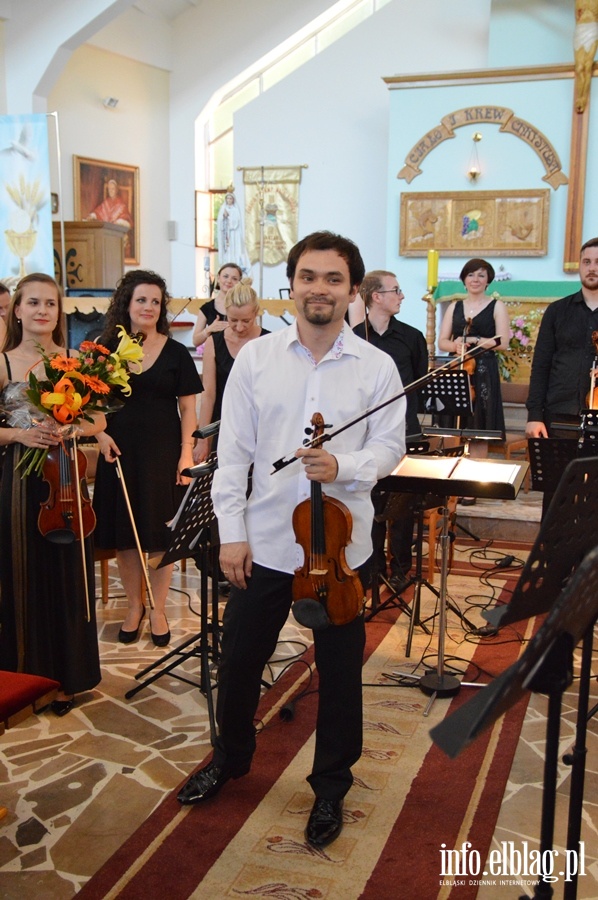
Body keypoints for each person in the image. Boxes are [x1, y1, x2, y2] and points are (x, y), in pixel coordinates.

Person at [176, 231, 404, 851]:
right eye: (308, 276)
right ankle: (230, 758)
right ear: (293, 283)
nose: (320, 289)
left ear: (351, 289)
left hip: (338, 551)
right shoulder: (256, 358)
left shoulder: (378, 367)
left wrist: (346, 467)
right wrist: (232, 532)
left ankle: (331, 784)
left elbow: (390, 447)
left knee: (338, 672)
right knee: (242, 659)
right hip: (267, 539)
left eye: (333, 279)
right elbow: (235, 453)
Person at [0, 273, 105, 715]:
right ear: (17, 310)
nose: (43, 310)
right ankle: (26, 676)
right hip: (17, 484)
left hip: (64, 480)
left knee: (68, 576)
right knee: (22, 575)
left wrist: (70, 426)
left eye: (51, 304)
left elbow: (98, 422)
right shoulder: (3, 362)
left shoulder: (77, 362)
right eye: (34, 302)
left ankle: (67, 679)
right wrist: (20, 436)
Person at [92, 270, 203, 647]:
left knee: (160, 535)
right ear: (127, 303)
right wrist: (101, 434)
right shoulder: (105, 347)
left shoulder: (174, 352)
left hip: (163, 450)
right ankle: (134, 606)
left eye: (156, 301)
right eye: (142, 300)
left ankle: (157, 608)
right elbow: (88, 405)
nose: (149, 307)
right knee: (126, 535)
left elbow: (189, 409)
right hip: (117, 450)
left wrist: (186, 453)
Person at [354, 270, 428, 590]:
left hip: (405, 430)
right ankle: (371, 569)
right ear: (376, 297)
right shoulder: (355, 336)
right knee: (369, 503)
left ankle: (400, 568)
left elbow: (420, 383)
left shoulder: (412, 337)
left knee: (402, 506)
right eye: (395, 290)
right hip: (365, 434)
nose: (401, 295)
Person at [525, 237, 598, 513]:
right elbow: (541, 365)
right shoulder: (558, 311)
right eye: (587, 262)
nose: (592, 268)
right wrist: (534, 414)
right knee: (557, 498)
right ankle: (553, 556)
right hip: (560, 415)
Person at [438, 258, 510, 502]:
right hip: (457, 368)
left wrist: (475, 340)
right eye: (471, 275)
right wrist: (456, 344)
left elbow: (504, 342)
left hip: (483, 372)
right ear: (464, 279)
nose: (475, 280)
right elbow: (442, 341)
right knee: (451, 425)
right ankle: (450, 482)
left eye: (481, 275)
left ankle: (472, 486)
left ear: (488, 280)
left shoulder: (496, 306)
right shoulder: (455, 306)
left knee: (480, 427)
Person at [193, 277, 269, 464]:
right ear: (225, 311)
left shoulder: (268, 342)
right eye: (233, 320)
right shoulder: (214, 342)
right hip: (224, 425)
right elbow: (209, 395)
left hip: (260, 427)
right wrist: (203, 439)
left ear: (256, 313)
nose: (239, 327)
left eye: (246, 321)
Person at [192, 263, 242, 348]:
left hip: (238, 352)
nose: (229, 281)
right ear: (218, 278)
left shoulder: (244, 307)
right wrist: (209, 329)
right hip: (214, 354)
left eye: (234, 278)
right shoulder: (207, 308)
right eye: (225, 276)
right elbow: (195, 341)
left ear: (239, 282)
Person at [86, 178, 134, 257]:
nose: (111, 191)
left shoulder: (121, 205)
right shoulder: (106, 203)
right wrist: (92, 216)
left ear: (116, 190)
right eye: (109, 189)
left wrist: (118, 222)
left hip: (117, 233)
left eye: (112, 189)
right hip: (106, 233)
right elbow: (98, 212)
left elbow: (127, 221)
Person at [216, 191, 250, 272]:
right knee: (227, 250)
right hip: (226, 234)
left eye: (230, 198)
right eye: (228, 198)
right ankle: (226, 263)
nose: (229, 200)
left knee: (234, 249)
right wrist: (223, 217)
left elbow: (236, 222)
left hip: (233, 234)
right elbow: (220, 222)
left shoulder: (235, 210)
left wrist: (229, 218)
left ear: (233, 200)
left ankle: (235, 263)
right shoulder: (223, 209)